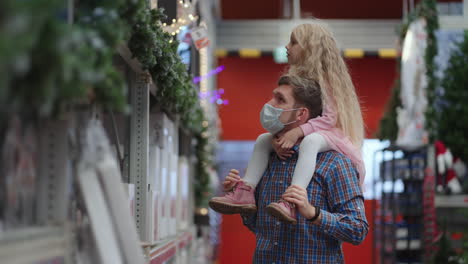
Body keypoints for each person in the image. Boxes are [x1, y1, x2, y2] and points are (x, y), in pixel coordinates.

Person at [209, 22, 365, 225]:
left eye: (293, 42)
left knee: (310, 142)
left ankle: (291, 200)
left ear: (310, 48)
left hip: (329, 133)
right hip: (308, 133)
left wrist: (298, 131)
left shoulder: (327, 80)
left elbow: (330, 119)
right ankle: (245, 191)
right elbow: (260, 226)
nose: (287, 46)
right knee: (263, 139)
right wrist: (277, 137)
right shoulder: (297, 77)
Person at [235, 74, 368, 263]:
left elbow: (357, 230)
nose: (269, 103)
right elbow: (259, 226)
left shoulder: (335, 164)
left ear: (300, 114)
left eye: (280, 99)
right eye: (273, 96)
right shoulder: (268, 159)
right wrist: (244, 203)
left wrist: (313, 213)